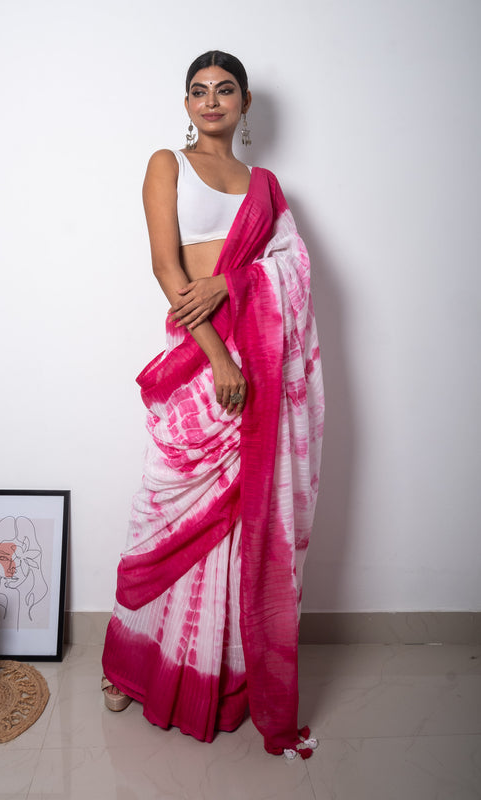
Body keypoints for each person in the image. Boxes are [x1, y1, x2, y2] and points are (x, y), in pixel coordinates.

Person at [101, 50, 324, 760]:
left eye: (225, 90)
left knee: (234, 528)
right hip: (201, 359)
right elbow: (167, 267)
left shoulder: (265, 185)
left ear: (245, 102)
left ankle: (218, 676)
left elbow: (292, 266)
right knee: (164, 511)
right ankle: (132, 666)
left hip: (257, 359)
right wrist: (219, 357)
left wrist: (233, 283)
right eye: (198, 91)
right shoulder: (167, 163)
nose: (211, 101)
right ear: (186, 103)